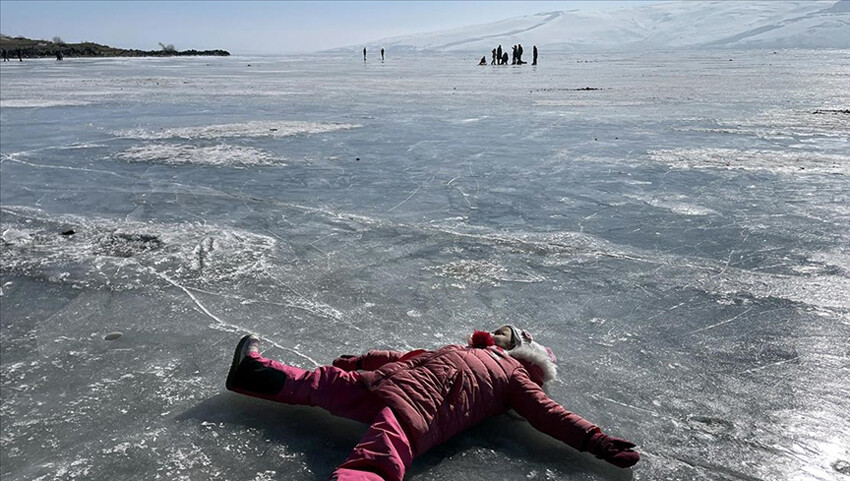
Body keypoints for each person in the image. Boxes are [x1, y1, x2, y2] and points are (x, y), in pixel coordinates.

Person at [226, 325, 640, 481]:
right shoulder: (460, 349)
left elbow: (549, 413)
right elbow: (406, 357)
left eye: (505, 333)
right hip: (383, 383)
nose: (495, 333)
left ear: (521, 350)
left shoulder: (514, 378)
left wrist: (595, 439)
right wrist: (359, 361)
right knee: (323, 381)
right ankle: (251, 373)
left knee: (378, 457)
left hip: (419, 411)